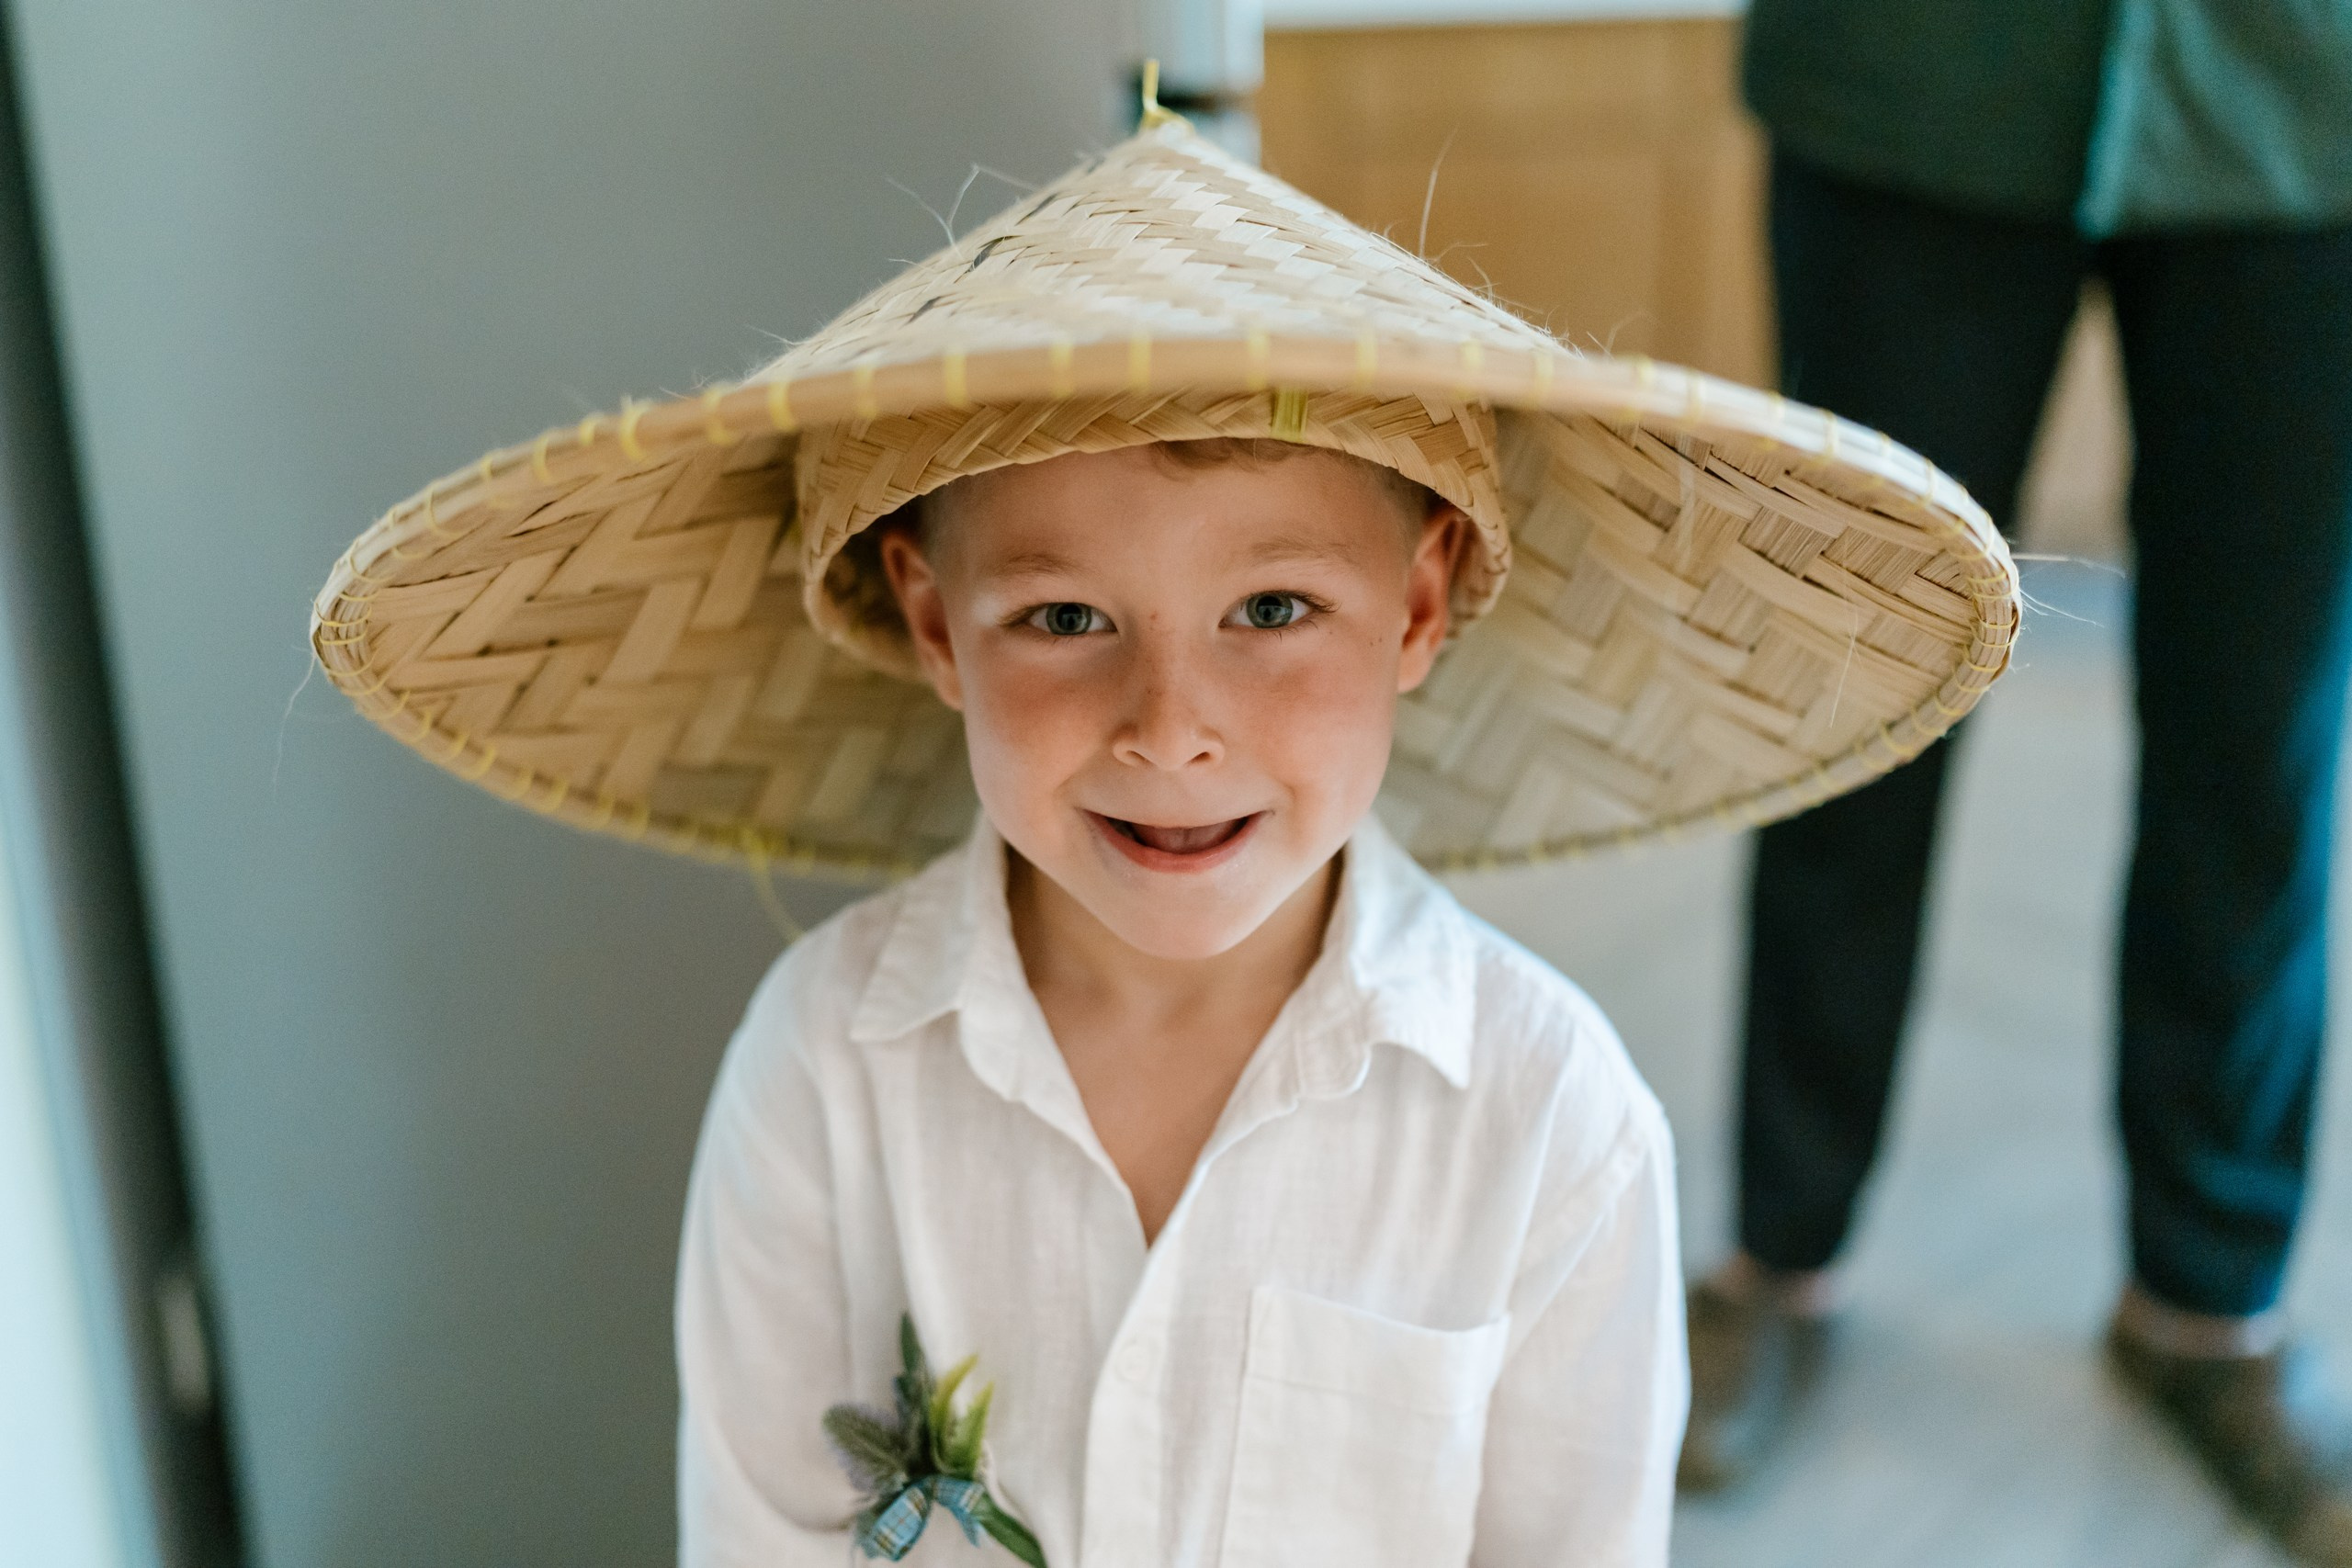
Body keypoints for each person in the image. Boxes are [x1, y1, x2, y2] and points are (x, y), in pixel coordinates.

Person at [306, 90, 2018, 1568]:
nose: (1171, 726)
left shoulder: (1554, 1128)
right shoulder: (824, 1068)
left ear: (1420, 608)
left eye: (1274, 608)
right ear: (929, 618)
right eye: (1064, 620)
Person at [1680, 4, 2352, 1562]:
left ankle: (2208, 1308)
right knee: (1854, 717)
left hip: (2313, 108)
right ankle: (1779, 1261)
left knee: (2259, 749)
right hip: (1912, 83)